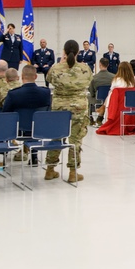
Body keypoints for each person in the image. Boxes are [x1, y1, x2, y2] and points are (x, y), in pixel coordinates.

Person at [45, 40, 91, 182]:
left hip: (59, 107)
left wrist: (60, 63)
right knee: (75, 140)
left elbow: (48, 79)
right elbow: (89, 81)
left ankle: (50, 169)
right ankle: (73, 172)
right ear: (78, 52)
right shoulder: (85, 68)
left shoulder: (56, 68)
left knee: (56, 138)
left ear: (64, 51)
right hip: (79, 108)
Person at [2, 66, 52, 165]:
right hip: (38, 129)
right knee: (35, 121)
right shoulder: (46, 93)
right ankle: (34, 156)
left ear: (21, 77)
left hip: (18, 130)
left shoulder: (14, 94)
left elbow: (5, 113)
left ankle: (1, 158)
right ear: (36, 76)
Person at [96, 61, 135, 135]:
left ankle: (102, 112)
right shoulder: (134, 79)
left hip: (118, 106)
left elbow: (112, 91)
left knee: (110, 94)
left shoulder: (116, 80)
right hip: (130, 106)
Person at [88, 57, 115, 125]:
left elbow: (92, 92)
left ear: (100, 65)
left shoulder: (94, 78)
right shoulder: (114, 77)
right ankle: (100, 118)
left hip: (98, 100)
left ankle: (90, 119)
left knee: (88, 97)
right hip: (109, 100)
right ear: (108, 65)